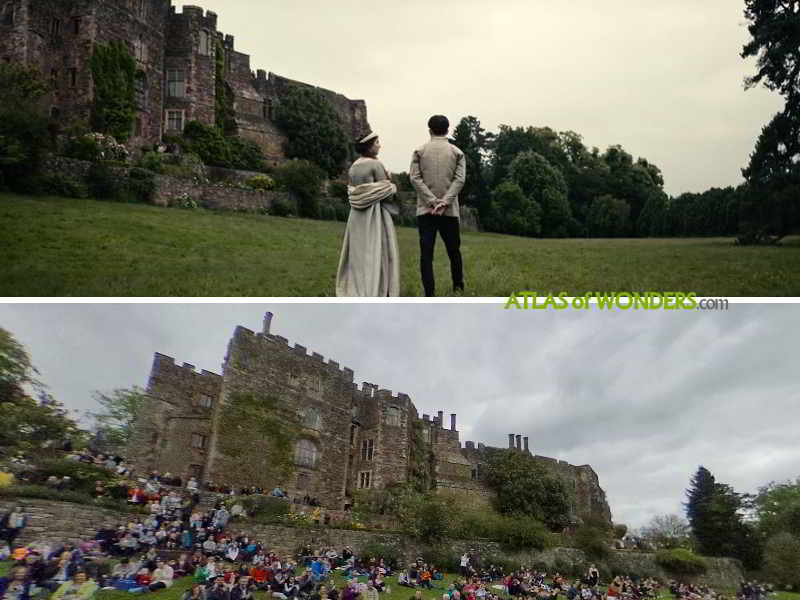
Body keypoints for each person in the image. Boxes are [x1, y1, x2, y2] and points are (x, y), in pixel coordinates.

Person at [336, 131, 400, 297]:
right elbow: (385, 191)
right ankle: (377, 286)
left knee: (359, 253)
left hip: (356, 215)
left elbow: (356, 190)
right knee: (376, 250)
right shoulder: (375, 165)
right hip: (374, 215)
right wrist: (391, 185)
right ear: (369, 146)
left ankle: (356, 285)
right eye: (377, 142)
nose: (379, 145)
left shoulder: (354, 166)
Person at [409, 114, 466, 296]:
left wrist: (432, 201)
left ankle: (429, 293)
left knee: (426, 254)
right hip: (449, 211)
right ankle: (458, 288)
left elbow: (415, 178)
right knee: (454, 251)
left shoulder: (419, 151)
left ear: (430, 130)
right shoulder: (457, 152)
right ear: (447, 130)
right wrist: (444, 202)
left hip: (426, 210)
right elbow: (460, 180)